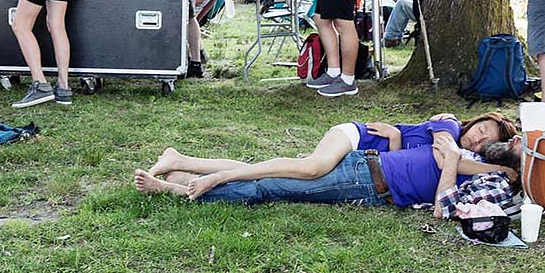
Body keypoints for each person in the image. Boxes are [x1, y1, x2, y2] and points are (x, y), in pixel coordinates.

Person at [143, 112, 517, 200]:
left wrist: (396, 138)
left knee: (278, 171)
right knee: (303, 171)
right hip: (355, 142)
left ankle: (181, 162)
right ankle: (202, 182)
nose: (479, 138)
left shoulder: (464, 152)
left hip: (368, 159)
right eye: (482, 129)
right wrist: (498, 164)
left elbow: (425, 158)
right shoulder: (449, 126)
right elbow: (444, 155)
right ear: (475, 120)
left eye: (485, 141)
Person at [135, 132, 522, 214]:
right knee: (269, 180)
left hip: (368, 181)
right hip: (362, 164)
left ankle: (179, 171)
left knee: (270, 181)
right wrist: (454, 154)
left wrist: (453, 159)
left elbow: (443, 208)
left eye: (519, 144)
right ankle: (185, 175)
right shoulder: (474, 157)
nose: (515, 138)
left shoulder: (494, 178)